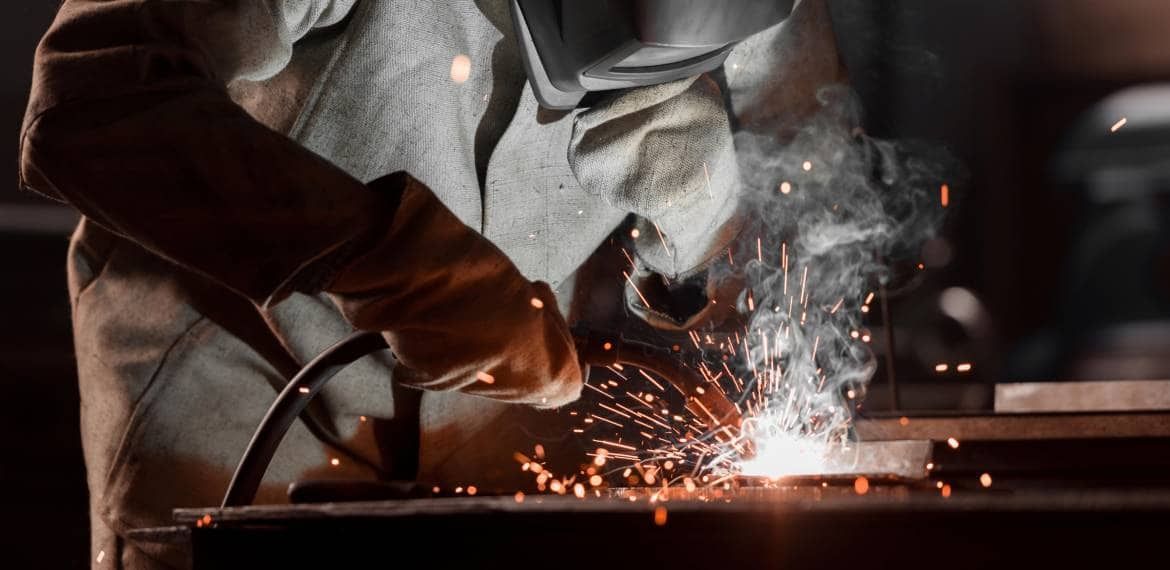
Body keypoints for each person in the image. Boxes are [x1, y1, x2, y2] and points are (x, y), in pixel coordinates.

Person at [20, 1, 844, 567]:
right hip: (236, 377)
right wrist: (374, 250)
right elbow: (90, 98)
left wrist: (709, 228)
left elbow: (813, 210)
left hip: (507, 399)